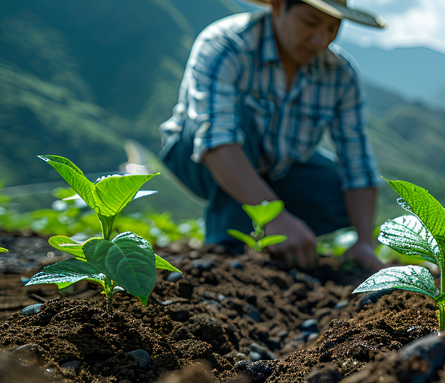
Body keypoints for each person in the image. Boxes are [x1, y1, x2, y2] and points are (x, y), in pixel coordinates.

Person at [159, 0, 386, 271]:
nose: (320, 39)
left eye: (332, 28)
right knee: (242, 123)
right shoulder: (227, 44)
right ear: (278, 6)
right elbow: (216, 138)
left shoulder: (340, 74)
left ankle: (270, 234)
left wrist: (364, 240)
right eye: (310, 22)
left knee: (339, 192)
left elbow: (357, 161)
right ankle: (227, 252)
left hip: (279, 165)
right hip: (196, 156)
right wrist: (275, 216)